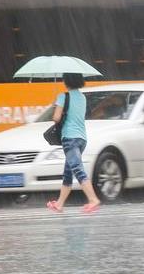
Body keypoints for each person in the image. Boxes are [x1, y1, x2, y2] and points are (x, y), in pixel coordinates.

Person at [46, 73, 102, 214]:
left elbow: (56, 118)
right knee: (68, 173)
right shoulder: (82, 98)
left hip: (69, 138)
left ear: (67, 81)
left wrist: (56, 107)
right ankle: (59, 204)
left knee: (77, 169)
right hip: (82, 138)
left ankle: (93, 199)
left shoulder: (63, 97)